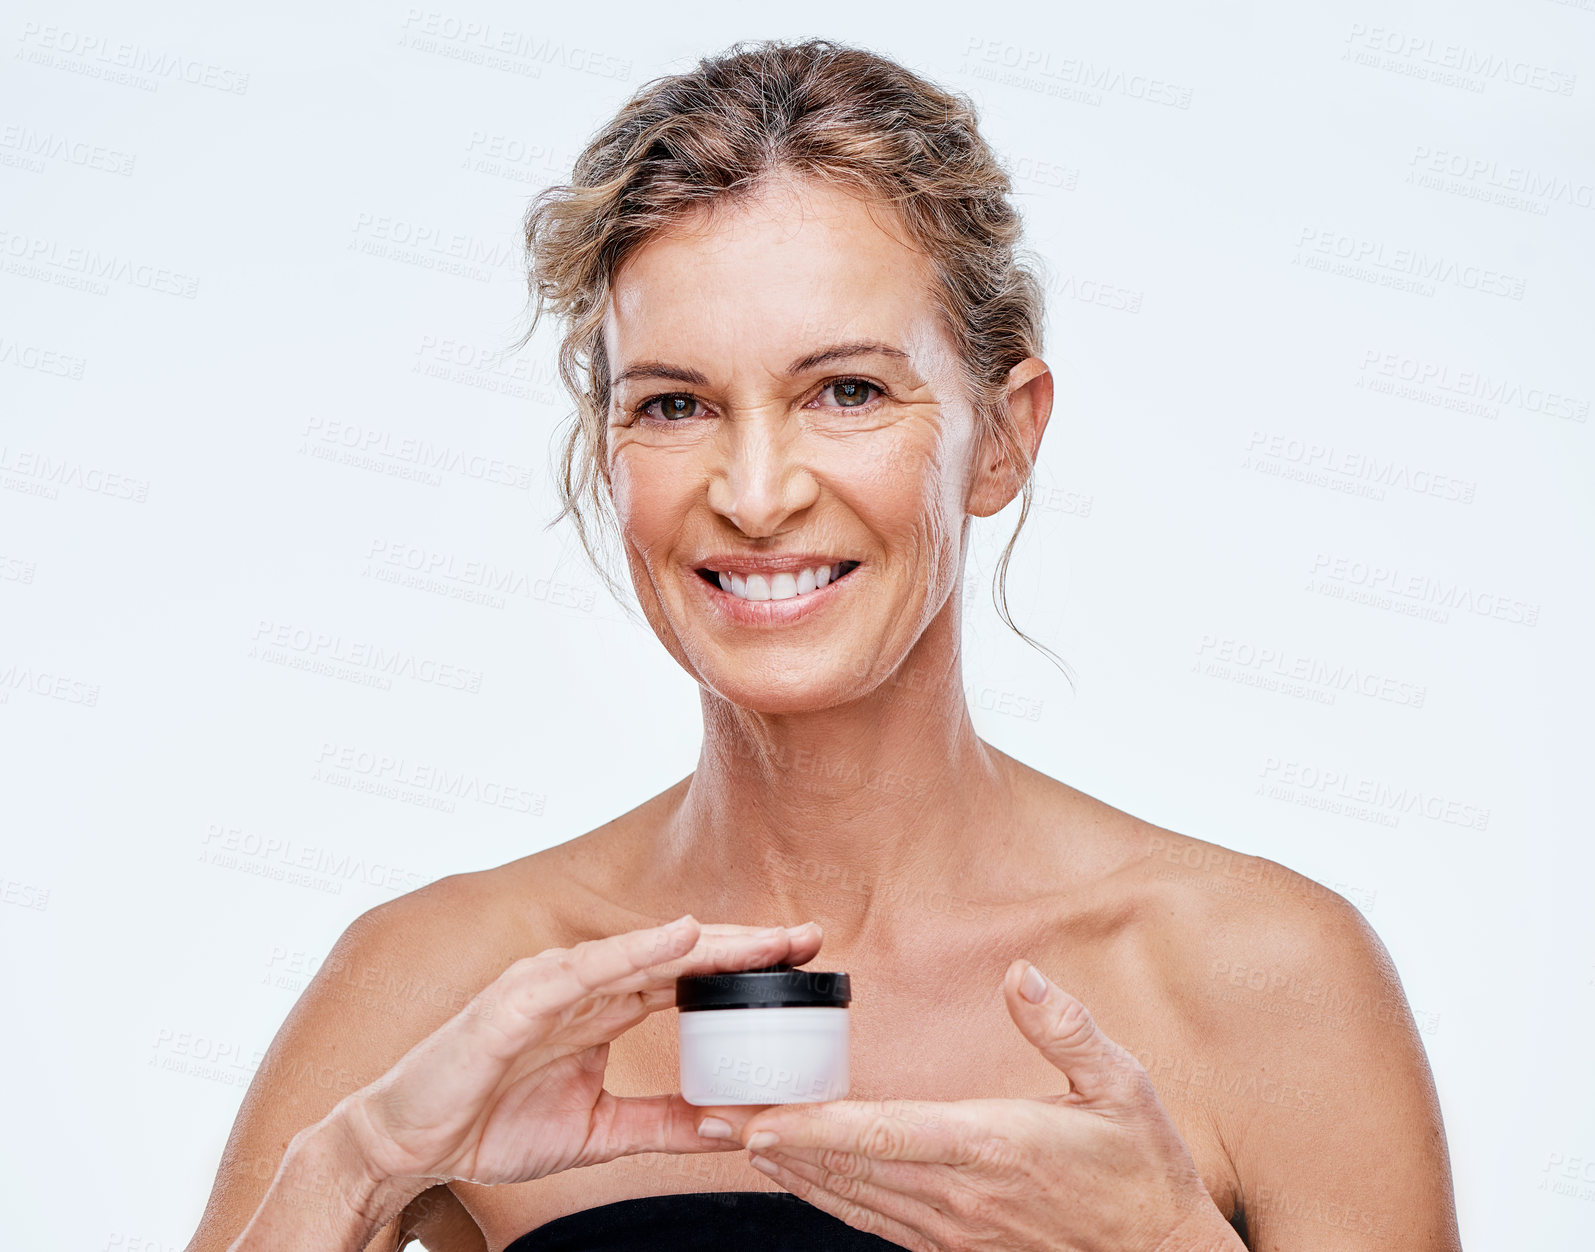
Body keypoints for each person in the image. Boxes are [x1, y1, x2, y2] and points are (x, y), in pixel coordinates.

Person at [186, 37, 1461, 1252]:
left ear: (1003, 437)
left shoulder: (1260, 975)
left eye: (845, 390)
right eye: (674, 404)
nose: (752, 491)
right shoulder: (452, 980)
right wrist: (354, 1168)